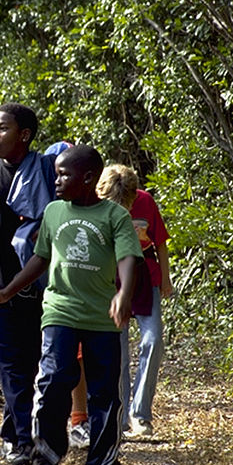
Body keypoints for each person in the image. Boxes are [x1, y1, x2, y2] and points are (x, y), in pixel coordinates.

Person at [0, 144, 142, 465]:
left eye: (63, 175)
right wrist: (7, 291)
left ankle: (103, 464)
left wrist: (123, 294)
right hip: (59, 311)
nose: (56, 181)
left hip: (101, 317)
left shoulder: (115, 217)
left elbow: (129, 257)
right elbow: (39, 259)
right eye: (55, 174)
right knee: (53, 381)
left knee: (104, 394)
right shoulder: (54, 211)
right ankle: (48, 454)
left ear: (88, 178)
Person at [0, 103, 64, 465]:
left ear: (24, 134)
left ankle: (26, 433)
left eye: (2, 129)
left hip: (41, 282)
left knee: (36, 364)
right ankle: (20, 440)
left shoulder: (47, 171)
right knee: (11, 366)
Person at [96, 164, 172, 437]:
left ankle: (140, 414)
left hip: (145, 276)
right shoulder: (97, 206)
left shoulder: (145, 201)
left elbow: (160, 242)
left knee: (153, 340)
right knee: (118, 351)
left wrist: (166, 279)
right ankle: (119, 417)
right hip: (111, 280)